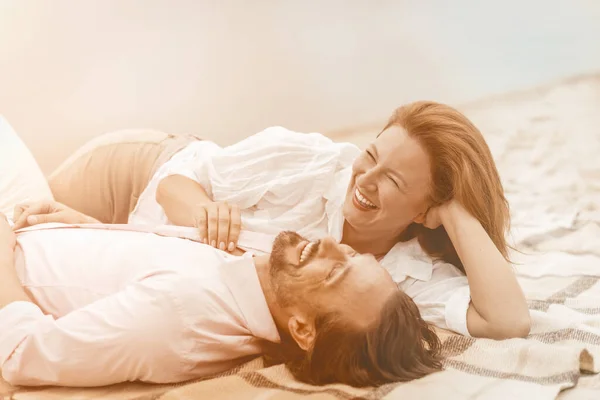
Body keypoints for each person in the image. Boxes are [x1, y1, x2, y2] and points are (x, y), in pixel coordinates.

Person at [37, 101, 530, 340]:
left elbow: (507, 322)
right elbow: (174, 184)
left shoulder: (400, 275)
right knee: (18, 213)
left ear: (423, 213)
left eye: (394, 182)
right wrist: (203, 213)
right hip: (133, 172)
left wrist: (457, 212)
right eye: (371, 154)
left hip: (133, 245)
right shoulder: (310, 161)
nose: (366, 178)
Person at [0, 201, 441, 388]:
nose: (328, 246)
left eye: (334, 274)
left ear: (303, 330)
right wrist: (85, 229)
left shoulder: (180, 321)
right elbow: (138, 276)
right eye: (349, 254)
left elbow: (24, 352)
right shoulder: (256, 277)